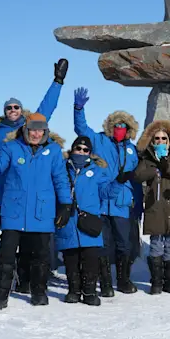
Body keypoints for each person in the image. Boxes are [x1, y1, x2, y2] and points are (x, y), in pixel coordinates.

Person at [0, 113, 71, 309]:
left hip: (41, 212)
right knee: (6, 255)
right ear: (25, 129)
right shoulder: (11, 147)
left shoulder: (54, 151)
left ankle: (38, 292)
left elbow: (61, 178)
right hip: (14, 211)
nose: (36, 134)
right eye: (32, 130)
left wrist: (65, 203)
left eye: (40, 130)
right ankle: (0, 294)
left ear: (46, 131)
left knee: (40, 256)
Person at [0, 58, 68, 293]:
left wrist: (58, 82)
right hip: (9, 193)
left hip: (35, 189)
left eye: (16, 107)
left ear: (22, 110)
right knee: (10, 239)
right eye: (9, 108)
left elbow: (48, 106)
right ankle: (6, 280)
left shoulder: (33, 125)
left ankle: (30, 279)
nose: (13, 111)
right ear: (3, 112)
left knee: (33, 241)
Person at [73, 87, 140, 296]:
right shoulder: (99, 140)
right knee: (101, 244)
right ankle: (105, 283)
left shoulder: (132, 149)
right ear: (111, 127)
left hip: (121, 202)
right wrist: (78, 109)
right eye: (117, 125)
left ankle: (123, 280)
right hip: (101, 201)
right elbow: (81, 129)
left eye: (124, 126)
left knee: (124, 244)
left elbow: (137, 176)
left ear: (129, 129)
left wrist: (137, 204)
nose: (120, 129)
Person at [132, 120, 170, 295]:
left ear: (169, 141)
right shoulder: (146, 159)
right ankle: (156, 281)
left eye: (163, 138)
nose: (160, 141)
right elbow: (137, 176)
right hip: (155, 207)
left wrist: (167, 164)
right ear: (152, 141)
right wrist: (155, 168)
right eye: (157, 138)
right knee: (156, 244)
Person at [57, 136, 110, 307]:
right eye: (78, 148)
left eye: (85, 150)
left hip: (89, 221)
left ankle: (89, 292)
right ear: (72, 150)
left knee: (91, 259)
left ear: (90, 153)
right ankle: (74, 290)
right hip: (68, 220)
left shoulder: (97, 171)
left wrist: (118, 183)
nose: (81, 152)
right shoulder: (61, 169)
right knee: (71, 259)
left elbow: (106, 192)